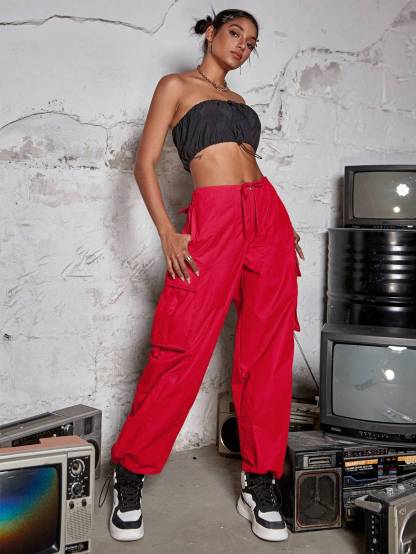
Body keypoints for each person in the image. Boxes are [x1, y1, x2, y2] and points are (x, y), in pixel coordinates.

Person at [100, 8, 304, 544]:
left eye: (251, 42)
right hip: (212, 219)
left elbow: (250, 168)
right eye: (235, 33)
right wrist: (169, 232)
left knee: (269, 352)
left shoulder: (239, 102)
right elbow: (144, 163)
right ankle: (130, 472)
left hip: (267, 218)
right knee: (181, 345)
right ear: (211, 33)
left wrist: (283, 228)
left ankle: (259, 480)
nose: (242, 46)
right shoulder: (176, 86)